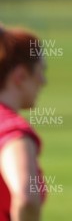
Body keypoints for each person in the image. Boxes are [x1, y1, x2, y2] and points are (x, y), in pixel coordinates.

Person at [0, 25, 47, 221]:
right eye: (40, 71)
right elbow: (26, 196)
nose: (43, 81)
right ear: (20, 76)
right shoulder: (11, 129)